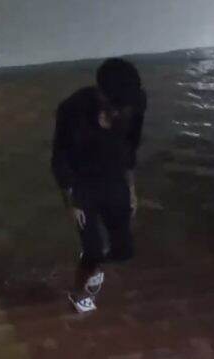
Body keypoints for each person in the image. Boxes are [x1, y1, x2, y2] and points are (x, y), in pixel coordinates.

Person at [51, 58, 147, 313]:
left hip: (114, 177)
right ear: (100, 94)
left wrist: (132, 189)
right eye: (114, 107)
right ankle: (78, 289)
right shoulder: (72, 110)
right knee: (93, 247)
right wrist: (71, 203)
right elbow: (60, 160)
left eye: (124, 108)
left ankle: (94, 266)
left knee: (124, 249)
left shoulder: (134, 106)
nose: (119, 113)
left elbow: (130, 150)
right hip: (81, 183)